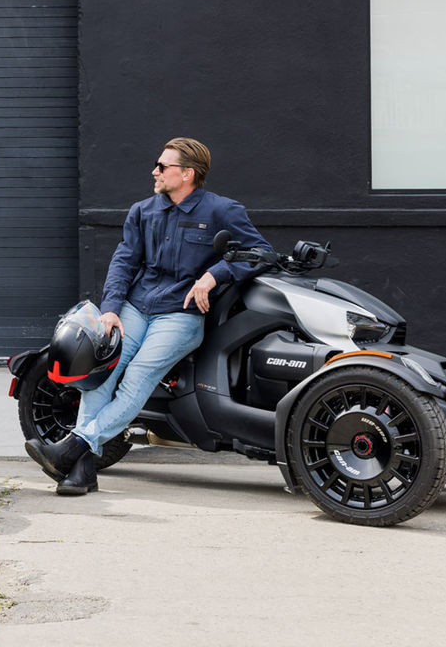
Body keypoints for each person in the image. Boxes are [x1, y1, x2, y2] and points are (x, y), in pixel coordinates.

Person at [26, 137, 271, 495]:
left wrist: (213, 275)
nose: (154, 171)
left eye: (162, 166)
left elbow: (260, 252)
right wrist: (111, 309)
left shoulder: (222, 210)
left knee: (138, 376)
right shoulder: (143, 211)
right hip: (135, 308)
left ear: (187, 174)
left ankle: (75, 448)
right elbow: (124, 261)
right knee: (100, 374)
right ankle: (81, 467)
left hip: (180, 315)